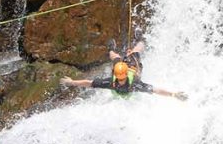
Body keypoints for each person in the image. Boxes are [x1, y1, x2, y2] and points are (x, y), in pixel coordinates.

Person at [60, 41, 188, 100]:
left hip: (121, 87)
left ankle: (111, 49)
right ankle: (141, 40)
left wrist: (72, 82)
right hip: (130, 80)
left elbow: (89, 83)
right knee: (135, 52)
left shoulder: (110, 82)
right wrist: (173, 94)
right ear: (125, 73)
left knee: (116, 57)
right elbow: (155, 90)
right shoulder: (134, 84)